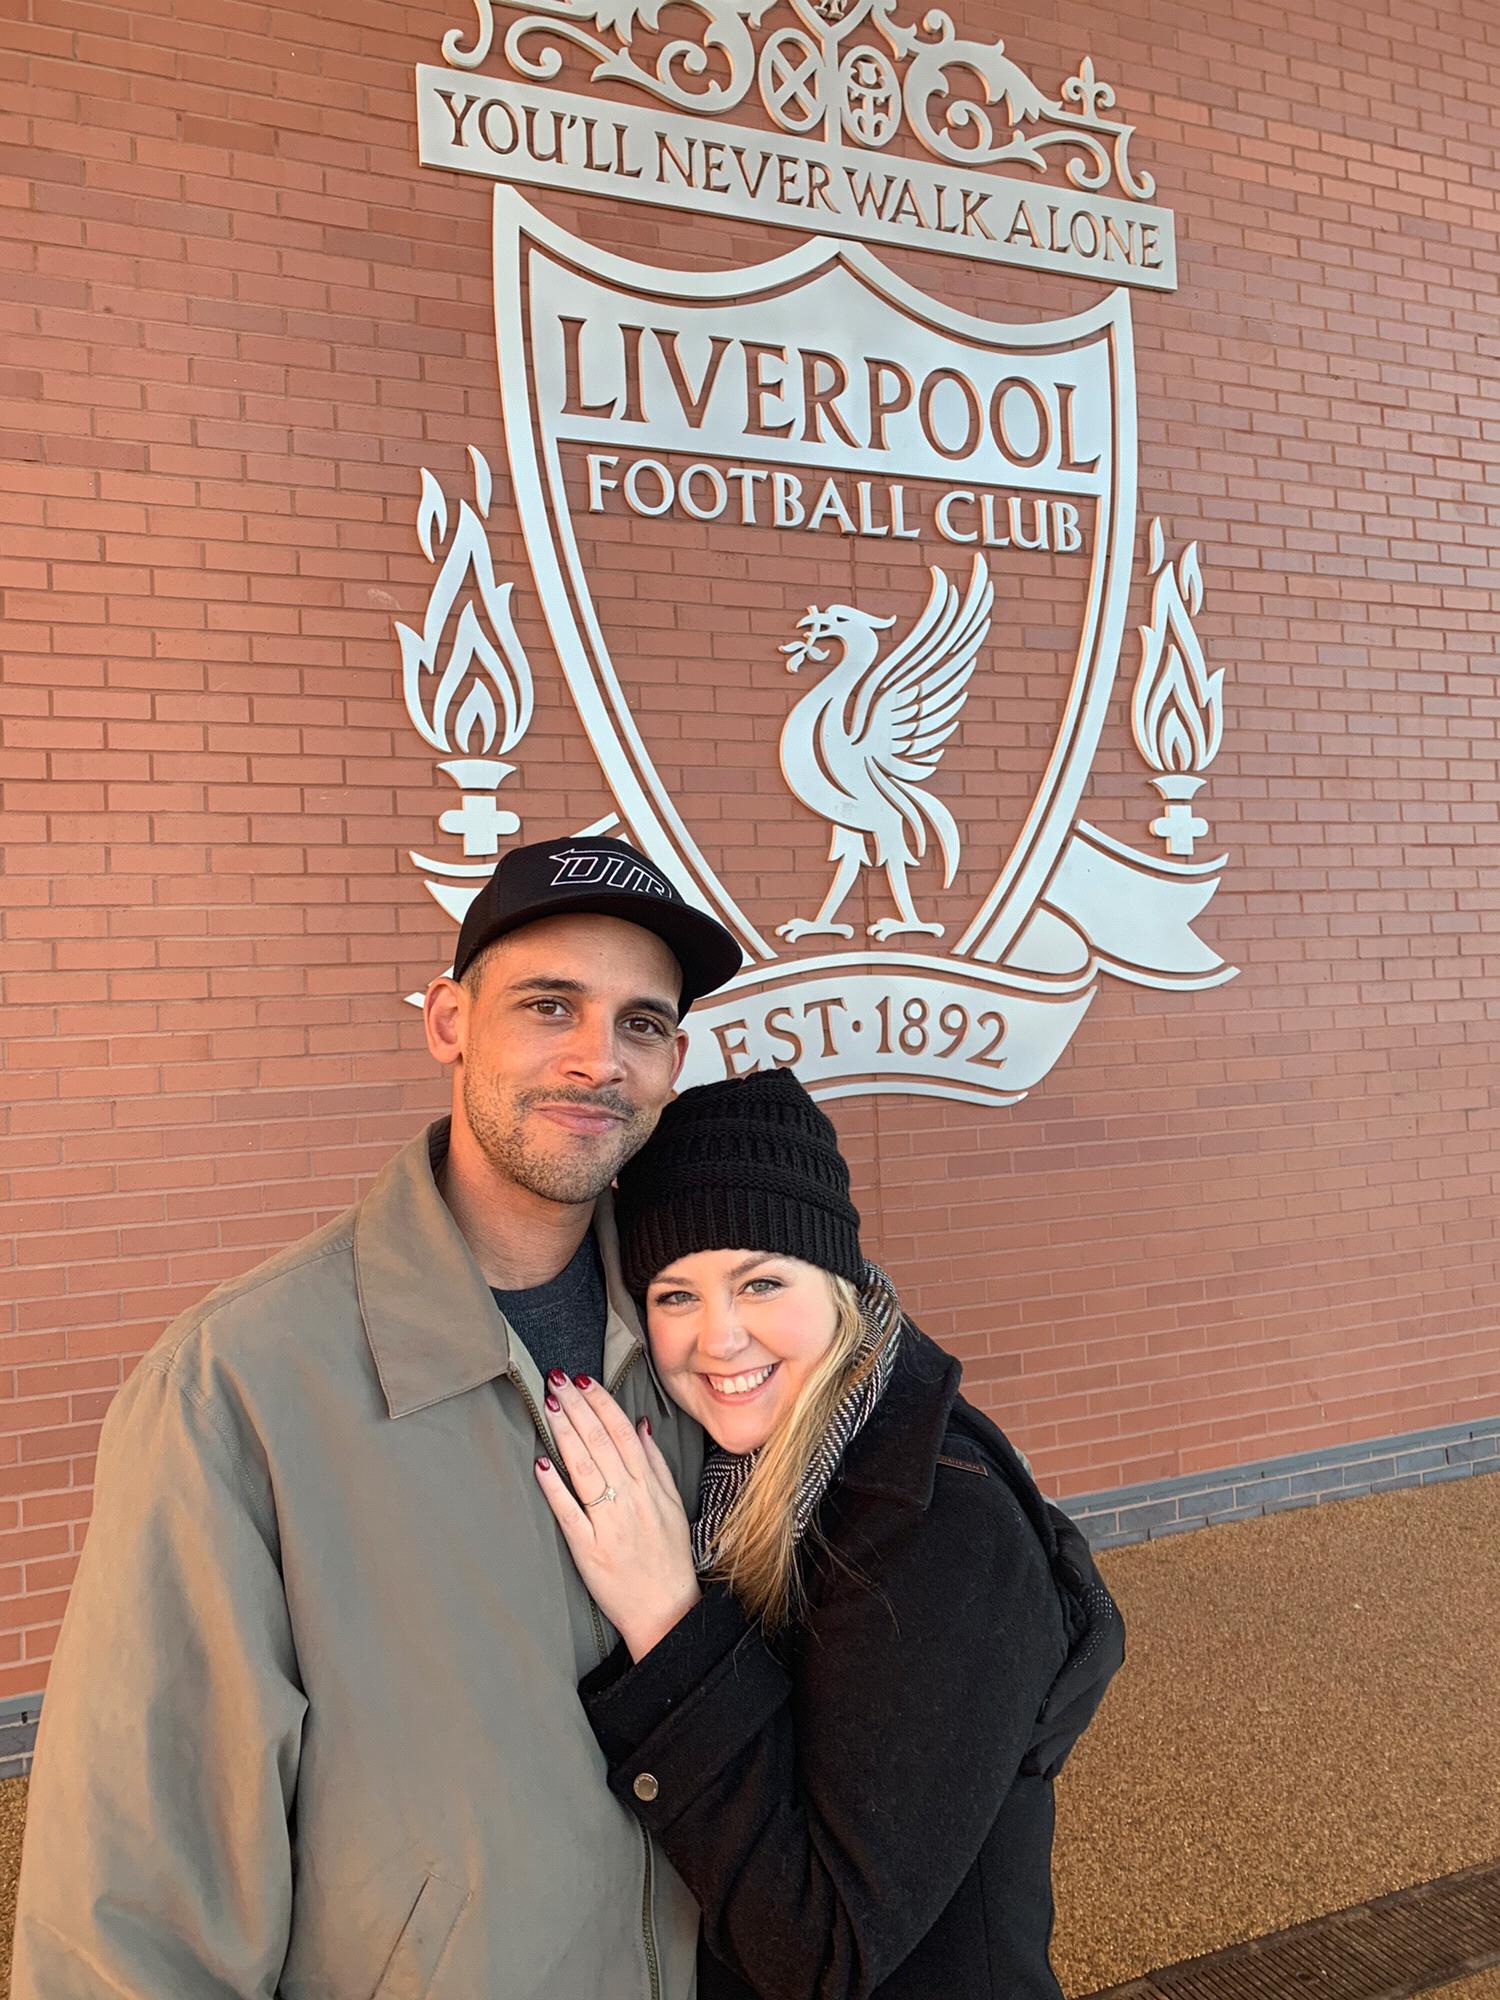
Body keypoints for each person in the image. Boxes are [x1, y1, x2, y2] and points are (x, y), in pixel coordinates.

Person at [12, 834, 743, 2000]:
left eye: (640, 1023)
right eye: (548, 1004)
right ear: (449, 1021)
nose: (597, 1058)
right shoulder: (238, 1385)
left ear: (675, 1059)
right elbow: (134, 1907)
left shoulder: (711, 1350)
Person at [535, 1066, 1125, 2000]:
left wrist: (666, 1624)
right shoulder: (756, 1470)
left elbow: (822, 1953)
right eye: (675, 1295)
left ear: (839, 1279)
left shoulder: (932, 1526)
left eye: (761, 1282)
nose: (719, 1340)